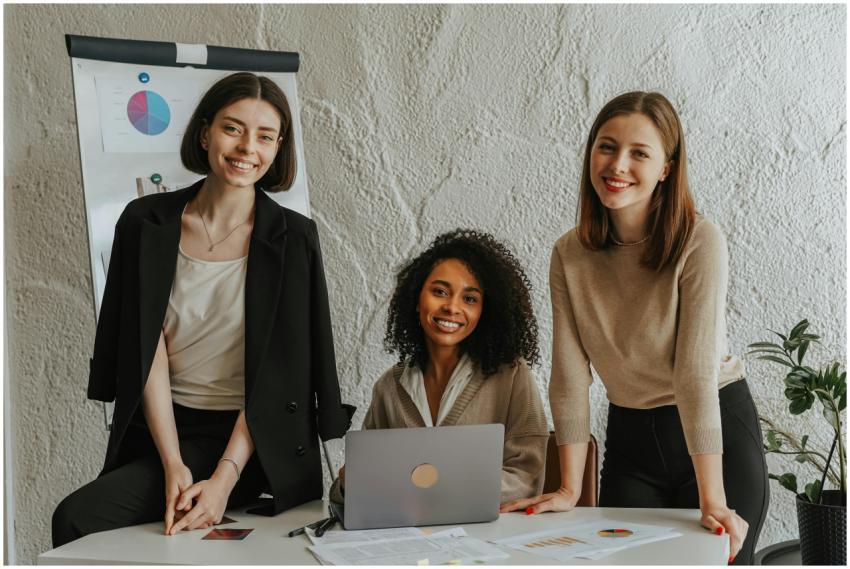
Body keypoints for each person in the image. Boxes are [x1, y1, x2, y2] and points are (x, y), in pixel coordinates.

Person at [52, 72, 354, 546]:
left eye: (265, 136)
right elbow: (145, 348)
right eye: (233, 128)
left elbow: (280, 373)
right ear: (205, 132)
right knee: (77, 519)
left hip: (257, 440)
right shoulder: (145, 223)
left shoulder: (294, 238)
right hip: (166, 428)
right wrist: (173, 463)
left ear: (278, 149)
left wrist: (223, 480)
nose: (246, 148)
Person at [501, 92, 768, 565]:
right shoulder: (569, 254)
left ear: (666, 167)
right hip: (632, 438)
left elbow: (693, 376)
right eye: (606, 146)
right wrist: (568, 486)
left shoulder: (699, 241)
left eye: (639, 153)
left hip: (714, 432)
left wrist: (713, 499)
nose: (617, 164)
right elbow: (568, 373)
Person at [330, 230, 549, 505]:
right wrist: (348, 485)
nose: (451, 307)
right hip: (408, 537)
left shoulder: (512, 376)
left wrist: (438, 490)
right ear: (416, 298)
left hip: (486, 537)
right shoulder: (389, 387)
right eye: (440, 292)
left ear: (486, 310)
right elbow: (355, 489)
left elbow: (527, 479)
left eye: (469, 299)